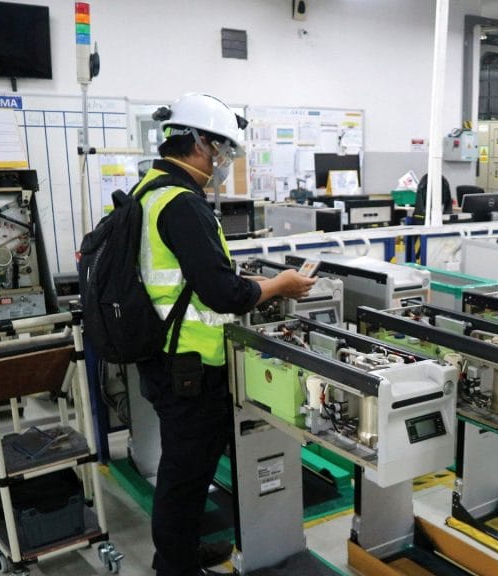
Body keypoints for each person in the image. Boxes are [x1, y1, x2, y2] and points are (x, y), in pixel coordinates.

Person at [136, 93, 316, 576]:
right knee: (185, 475)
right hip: (190, 364)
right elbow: (220, 293)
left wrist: (253, 285)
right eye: (220, 151)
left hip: (165, 354)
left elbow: (193, 281)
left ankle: (178, 555)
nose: (221, 163)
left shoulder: (150, 189)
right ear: (197, 143)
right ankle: (174, 568)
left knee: (185, 471)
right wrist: (279, 285)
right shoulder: (183, 204)